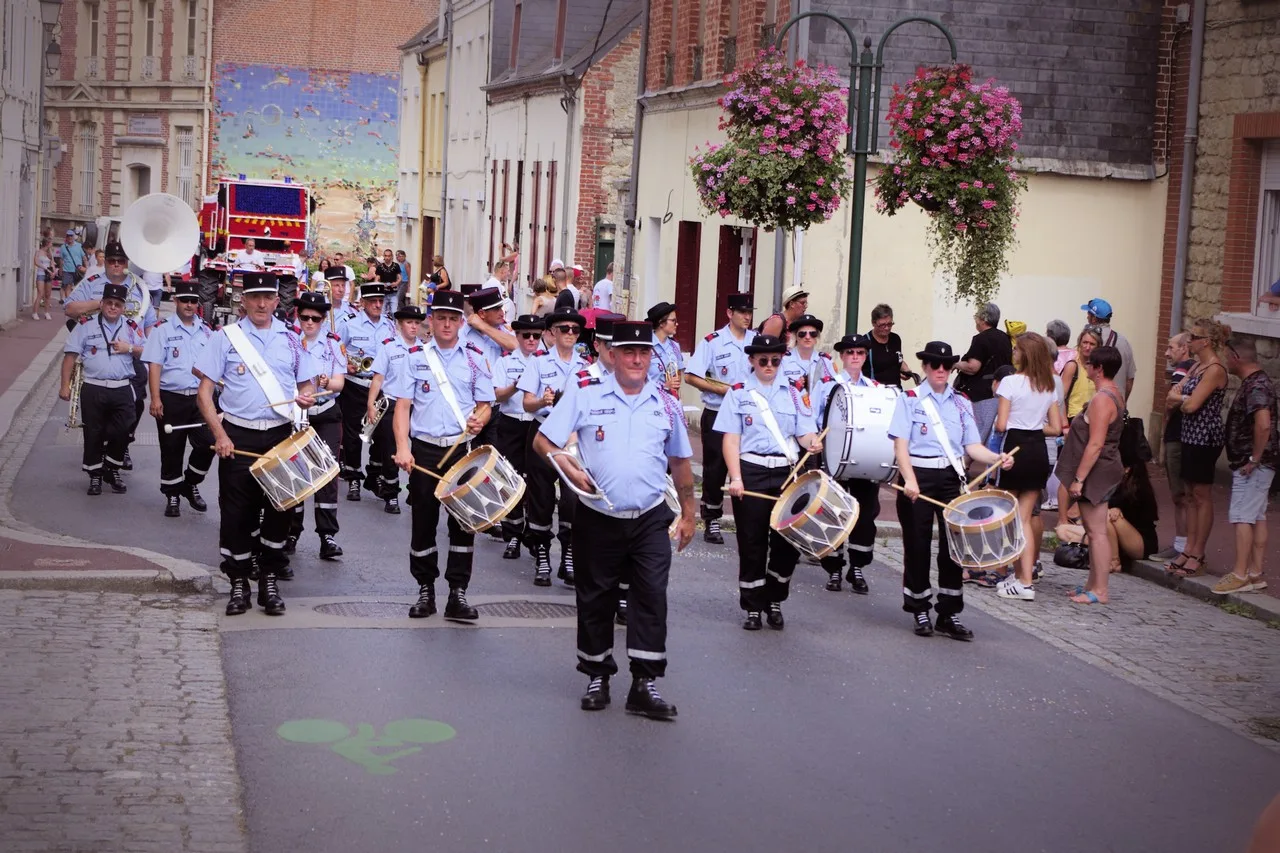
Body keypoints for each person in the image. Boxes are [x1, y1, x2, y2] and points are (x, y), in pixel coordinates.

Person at [534, 320, 696, 720]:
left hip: (649, 518)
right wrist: (567, 469)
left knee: (651, 597)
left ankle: (644, 683)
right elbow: (544, 440)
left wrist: (691, 511)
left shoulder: (666, 403)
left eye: (644, 354)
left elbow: (680, 461)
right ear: (613, 355)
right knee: (596, 596)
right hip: (598, 516)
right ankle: (597, 675)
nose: (637, 359)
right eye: (628, 352)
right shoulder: (585, 394)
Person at [193, 272, 323, 616]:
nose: (262, 304)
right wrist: (219, 435)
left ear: (277, 301)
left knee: (280, 511)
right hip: (238, 434)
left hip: (279, 435)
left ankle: (268, 580)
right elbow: (204, 392)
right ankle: (238, 583)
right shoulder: (225, 338)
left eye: (268, 297)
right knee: (237, 513)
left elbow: (307, 385)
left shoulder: (293, 339)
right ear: (243, 301)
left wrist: (305, 399)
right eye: (255, 297)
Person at [891, 340, 1013, 638]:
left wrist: (997, 458)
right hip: (917, 473)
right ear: (925, 366)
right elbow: (901, 446)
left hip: (951, 475)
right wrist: (909, 479)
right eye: (935, 364)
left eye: (946, 365)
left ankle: (948, 612)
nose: (941, 370)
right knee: (918, 545)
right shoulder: (910, 399)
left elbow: (972, 446)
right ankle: (920, 608)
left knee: (954, 549)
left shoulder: (961, 402)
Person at [388, 290, 493, 621]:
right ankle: (425, 590)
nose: (447, 324)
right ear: (429, 322)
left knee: (464, 525)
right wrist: (403, 447)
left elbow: (485, 405)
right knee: (424, 522)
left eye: (453, 319)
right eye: (441, 318)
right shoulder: (414, 358)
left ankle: (457, 593)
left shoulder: (475, 358)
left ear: (461, 323)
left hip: (461, 451)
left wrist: (481, 418)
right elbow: (402, 407)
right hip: (425, 449)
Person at [717, 334, 822, 630]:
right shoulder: (738, 393)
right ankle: (752, 606)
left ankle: (774, 598)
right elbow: (731, 439)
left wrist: (813, 442)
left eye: (775, 360)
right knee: (752, 542)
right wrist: (735, 477)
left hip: (785, 472)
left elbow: (803, 432)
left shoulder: (793, 394)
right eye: (763, 360)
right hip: (751, 469)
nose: (769, 365)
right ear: (751, 361)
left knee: (787, 541)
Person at [65, 241, 157, 472]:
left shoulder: (139, 287)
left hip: (130, 350)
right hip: (98, 346)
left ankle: (122, 443)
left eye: (121, 261)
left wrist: (149, 351)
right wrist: (100, 303)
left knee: (134, 403)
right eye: (112, 261)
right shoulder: (93, 282)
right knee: (99, 405)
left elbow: (149, 323)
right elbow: (69, 308)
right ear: (105, 262)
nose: (116, 265)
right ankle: (101, 448)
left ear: (127, 263)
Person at [518, 305, 593, 585]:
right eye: (564, 329)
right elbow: (527, 402)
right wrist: (542, 401)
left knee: (573, 497)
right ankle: (542, 556)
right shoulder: (539, 362)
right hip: (543, 431)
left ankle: (569, 555)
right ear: (552, 332)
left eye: (575, 329)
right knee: (541, 497)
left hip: (572, 436)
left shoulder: (585, 367)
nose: (570, 334)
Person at [993, 332, 1065, 601]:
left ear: (1025, 354)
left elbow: (1001, 424)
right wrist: (1035, 426)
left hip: (1015, 447)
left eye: (1016, 349)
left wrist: (1017, 422)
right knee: (1025, 517)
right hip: (1037, 449)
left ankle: (1021, 578)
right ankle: (1024, 576)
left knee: (1012, 517)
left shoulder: (1010, 382)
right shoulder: (1047, 385)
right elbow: (1057, 427)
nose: (1013, 353)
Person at [59, 282, 147, 496]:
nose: (113, 307)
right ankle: (95, 476)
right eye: (109, 303)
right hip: (94, 387)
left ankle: (111, 465)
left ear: (124, 307)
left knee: (125, 427)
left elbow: (147, 352)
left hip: (122, 387)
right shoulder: (86, 325)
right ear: (102, 303)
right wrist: (65, 386)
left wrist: (130, 348)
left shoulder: (131, 326)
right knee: (93, 432)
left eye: (118, 304)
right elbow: (70, 356)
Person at [1054, 345, 1126, 605]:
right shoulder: (1111, 394)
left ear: (1099, 369)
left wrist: (1079, 479)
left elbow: (1095, 444)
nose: (1085, 365)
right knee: (1094, 531)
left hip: (1098, 472)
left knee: (1096, 533)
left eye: (1089, 363)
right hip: (1102, 469)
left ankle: (1101, 590)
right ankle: (1091, 585)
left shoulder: (1102, 399)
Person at [817, 334, 888, 594]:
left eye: (860, 352)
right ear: (842, 356)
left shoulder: (876, 389)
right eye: (850, 352)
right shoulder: (828, 385)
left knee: (865, 516)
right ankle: (834, 569)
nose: (855, 356)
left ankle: (857, 567)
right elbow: (815, 419)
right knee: (834, 513)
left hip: (865, 460)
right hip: (834, 460)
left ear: (865, 355)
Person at [685, 292, 756, 544]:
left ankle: (747, 517)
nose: (747, 317)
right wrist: (722, 389)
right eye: (742, 312)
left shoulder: (757, 341)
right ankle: (712, 519)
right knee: (715, 469)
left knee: (747, 466)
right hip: (717, 412)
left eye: (750, 313)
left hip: (748, 415)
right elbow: (691, 376)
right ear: (729, 313)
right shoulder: (713, 341)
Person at [141, 279, 215, 518]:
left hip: (199, 398)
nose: (190, 305)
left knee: (208, 443)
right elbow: (155, 365)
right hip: (171, 397)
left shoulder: (206, 331)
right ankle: (172, 494)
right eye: (185, 300)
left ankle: (190, 482)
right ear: (176, 301)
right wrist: (155, 399)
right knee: (171, 449)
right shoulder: (163, 330)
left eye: (194, 301)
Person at [1163, 318, 1230, 578]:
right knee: (1189, 493)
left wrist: (1183, 399)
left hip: (1205, 437)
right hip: (1188, 434)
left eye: (1194, 336)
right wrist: (1184, 398)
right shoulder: (1195, 367)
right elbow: (1172, 398)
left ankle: (1198, 552)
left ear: (1206, 341)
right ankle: (1188, 548)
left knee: (1201, 495)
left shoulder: (1214, 369)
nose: (1189, 341)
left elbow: (1191, 406)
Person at [285, 290, 347, 561]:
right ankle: (291, 532)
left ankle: (327, 535)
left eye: (315, 318)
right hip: (297, 414)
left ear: (323, 319)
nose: (309, 323)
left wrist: (324, 383)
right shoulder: (287, 341)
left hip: (326, 412)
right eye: (304, 317)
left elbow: (340, 384)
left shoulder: (333, 344)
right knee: (296, 471)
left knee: (327, 471)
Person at [1213, 336, 1278, 595]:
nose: (1226, 360)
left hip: (1252, 464)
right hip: (1258, 462)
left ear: (1237, 357)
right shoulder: (1257, 383)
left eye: (1228, 356)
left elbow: (1263, 424)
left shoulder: (1256, 387)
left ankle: (1240, 573)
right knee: (1256, 515)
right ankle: (1254, 572)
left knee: (1242, 516)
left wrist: (1254, 458)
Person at [493, 314, 546, 560]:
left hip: (537, 425)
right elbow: (499, 396)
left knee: (536, 481)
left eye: (537, 335)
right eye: (527, 336)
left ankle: (535, 535)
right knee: (510, 478)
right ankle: (513, 533)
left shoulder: (548, 362)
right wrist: (516, 385)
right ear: (517, 336)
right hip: (512, 423)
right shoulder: (505, 362)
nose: (532, 340)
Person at [1152, 333, 1194, 561]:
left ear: (1184, 348)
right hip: (1178, 436)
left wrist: (1172, 401)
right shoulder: (1190, 369)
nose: (1167, 353)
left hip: (1177, 437)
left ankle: (1182, 544)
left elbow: (1170, 402)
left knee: (1180, 494)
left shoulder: (1183, 370)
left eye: (1171, 348)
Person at [953, 302, 1012, 403]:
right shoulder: (1005, 338)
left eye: (977, 316)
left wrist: (956, 364)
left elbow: (973, 367)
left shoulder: (981, 339)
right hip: (1003, 390)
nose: (975, 320)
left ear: (983, 319)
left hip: (982, 394)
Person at [1082, 298, 1137, 398]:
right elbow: (1130, 379)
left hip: (1096, 403)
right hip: (1117, 402)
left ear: (1093, 318)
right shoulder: (1124, 341)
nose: (1087, 317)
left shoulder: (1087, 341)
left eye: (1088, 314)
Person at [779, 313, 836, 407]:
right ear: (796, 336)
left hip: (818, 415)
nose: (807, 337)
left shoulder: (826, 362)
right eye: (802, 334)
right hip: (791, 410)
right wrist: (793, 386)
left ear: (817, 337)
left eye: (812, 334)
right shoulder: (784, 360)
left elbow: (833, 390)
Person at [865, 303, 916, 387]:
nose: (887, 328)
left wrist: (906, 370)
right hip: (875, 392)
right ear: (873, 323)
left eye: (889, 324)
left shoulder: (896, 339)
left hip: (895, 391)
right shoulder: (865, 342)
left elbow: (897, 359)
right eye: (882, 325)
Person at [1062, 325, 1102, 419]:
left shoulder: (1099, 368)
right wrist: (1064, 425)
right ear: (1079, 343)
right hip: (1074, 417)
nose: (1087, 347)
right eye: (1085, 342)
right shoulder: (1072, 366)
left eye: (1092, 344)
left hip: (1093, 417)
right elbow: (1061, 399)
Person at [647, 301, 684, 394]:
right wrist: (664, 387)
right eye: (673, 321)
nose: (677, 324)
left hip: (671, 401)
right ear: (661, 323)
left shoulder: (675, 346)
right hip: (651, 400)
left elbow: (678, 373)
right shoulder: (646, 346)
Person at [375, 249, 402, 315]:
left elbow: (400, 278)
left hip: (393, 293)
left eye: (389, 256)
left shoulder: (396, 266)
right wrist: (381, 284)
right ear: (383, 256)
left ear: (392, 256)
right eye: (386, 256)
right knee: (382, 313)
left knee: (394, 312)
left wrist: (396, 283)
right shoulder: (380, 267)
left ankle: (393, 325)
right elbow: (376, 279)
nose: (387, 258)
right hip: (383, 293)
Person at [33, 237, 54, 320]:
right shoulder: (38, 252)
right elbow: (36, 262)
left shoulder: (50, 253)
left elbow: (52, 263)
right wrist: (45, 268)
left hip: (48, 275)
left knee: (48, 294)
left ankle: (47, 312)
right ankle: (35, 312)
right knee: (40, 293)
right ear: (47, 244)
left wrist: (53, 270)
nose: (51, 245)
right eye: (51, 243)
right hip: (41, 274)